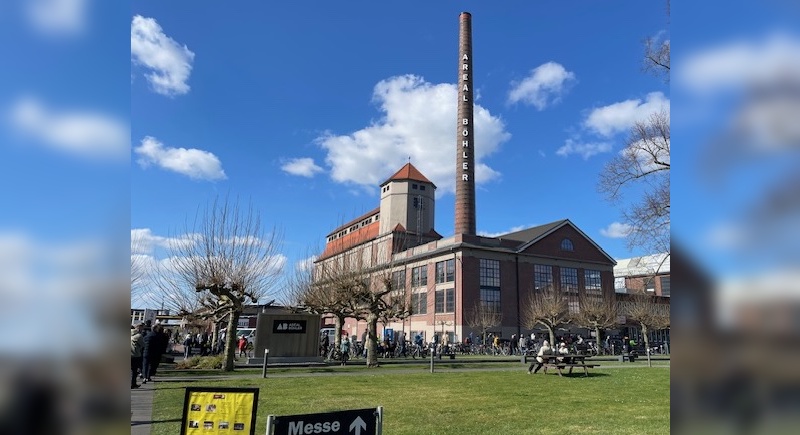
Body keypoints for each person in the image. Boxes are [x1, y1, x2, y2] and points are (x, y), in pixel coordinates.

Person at [131, 324, 144, 388]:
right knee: (134, 370)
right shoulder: (139, 336)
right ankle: (132, 384)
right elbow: (143, 344)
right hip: (135, 354)